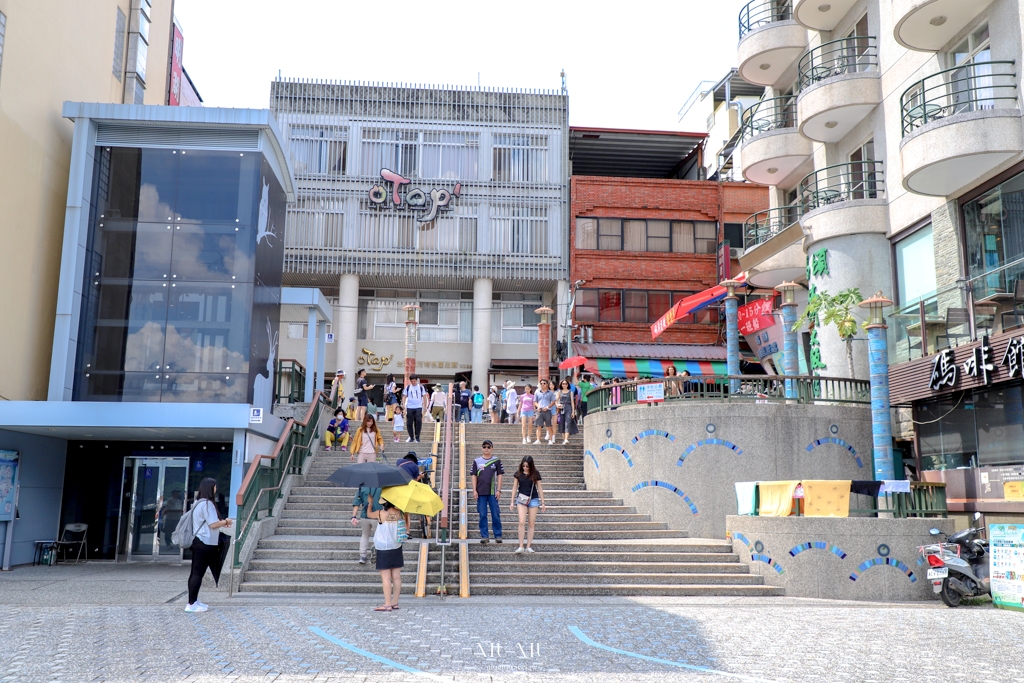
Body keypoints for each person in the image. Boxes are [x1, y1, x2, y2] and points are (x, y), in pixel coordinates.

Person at [185, 477, 232, 612]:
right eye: (214, 486)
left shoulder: (198, 503)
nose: (216, 488)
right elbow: (213, 523)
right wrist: (226, 521)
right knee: (197, 573)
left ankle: (193, 600)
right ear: (210, 488)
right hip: (204, 543)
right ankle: (191, 603)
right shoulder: (207, 504)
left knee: (196, 572)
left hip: (200, 542)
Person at [372, 500, 405, 611]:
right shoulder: (399, 513)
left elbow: (368, 514)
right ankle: (395, 602)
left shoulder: (381, 513)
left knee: (386, 578)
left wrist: (371, 503)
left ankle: (387, 604)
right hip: (396, 546)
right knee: (396, 577)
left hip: (384, 547)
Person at [509, 456, 545, 554]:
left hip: (533, 499)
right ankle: (521, 545)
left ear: (531, 466)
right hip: (521, 499)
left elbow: (540, 488)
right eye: (524, 465)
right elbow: (514, 487)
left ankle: (528, 546)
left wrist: (543, 502)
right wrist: (512, 501)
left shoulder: (535, 474)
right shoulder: (518, 474)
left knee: (531, 523)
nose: (525, 468)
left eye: (527, 466)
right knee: (521, 521)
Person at [470, 440, 504, 544]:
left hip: (493, 492)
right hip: (481, 493)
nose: (486, 449)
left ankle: (498, 535)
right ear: (481, 448)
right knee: (483, 514)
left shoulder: (496, 460)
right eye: (484, 447)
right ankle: (484, 536)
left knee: (495, 514)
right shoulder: (477, 461)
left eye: (488, 447)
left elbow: (500, 475)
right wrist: (474, 490)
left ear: (492, 448)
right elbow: (473, 476)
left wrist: (499, 489)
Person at [350, 484, 382, 565]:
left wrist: (353, 516)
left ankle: (363, 555)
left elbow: (357, 502)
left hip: (364, 515)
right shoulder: (382, 486)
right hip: (377, 515)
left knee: (365, 535)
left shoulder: (362, 487)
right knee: (378, 535)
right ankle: (376, 551)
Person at [402, 374, 425, 442]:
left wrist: (425, 407)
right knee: (409, 423)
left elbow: (424, 396)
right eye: (412, 381)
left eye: (414, 381)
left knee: (418, 421)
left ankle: (417, 437)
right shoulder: (408, 387)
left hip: (418, 406)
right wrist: (403, 404)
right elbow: (404, 396)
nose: (413, 382)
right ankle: (411, 437)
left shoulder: (421, 387)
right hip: (410, 407)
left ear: (417, 380)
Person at [556, 378, 579, 445]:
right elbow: (556, 400)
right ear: (561, 384)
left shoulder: (570, 392)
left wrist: (573, 411)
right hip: (561, 408)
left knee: (568, 423)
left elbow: (572, 402)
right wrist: (557, 405)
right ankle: (564, 439)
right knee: (562, 423)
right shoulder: (559, 392)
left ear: (567, 384)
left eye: (566, 384)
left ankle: (566, 439)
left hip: (568, 407)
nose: (564, 385)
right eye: (563, 384)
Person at [533, 379, 556, 445]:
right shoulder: (537, 393)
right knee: (538, 426)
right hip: (540, 411)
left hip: (547, 411)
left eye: (544, 383)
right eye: (541, 383)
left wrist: (548, 407)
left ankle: (551, 440)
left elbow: (553, 402)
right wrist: (538, 407)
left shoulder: (550, 393)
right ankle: (538, 439)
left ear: (547, 384)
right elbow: (535, 402)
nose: (542, 384)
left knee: (549, 426)